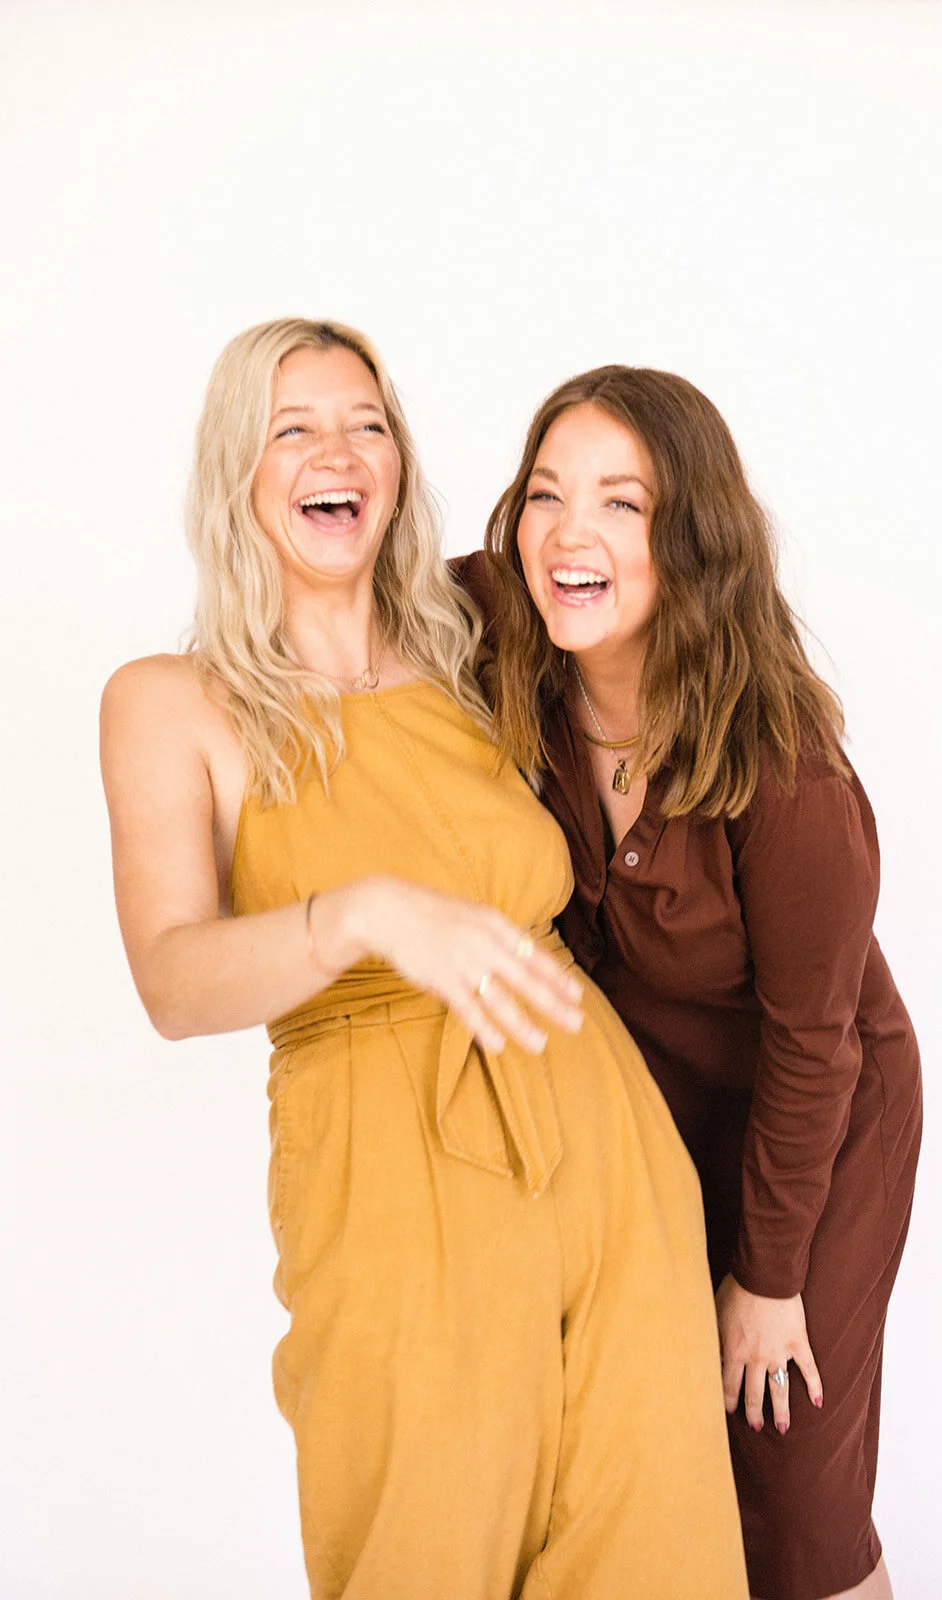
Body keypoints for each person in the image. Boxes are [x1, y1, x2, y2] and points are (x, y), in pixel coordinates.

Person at [99, 322, 748, 1600]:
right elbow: (171, 981)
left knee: (648, 1539)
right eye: (293, 428)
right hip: (384, 1169)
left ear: (397, 464)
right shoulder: (170, 700)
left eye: (368, 424)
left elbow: (667, 634)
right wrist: (358, 915)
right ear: (236, 468)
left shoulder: (477, 653)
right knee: (420, 1543)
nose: (338, 452)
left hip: (604, 1145)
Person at [459, 365, 922, 1600]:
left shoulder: (785, 774)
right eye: (545, 493)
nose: (569, 532)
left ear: (693, 540)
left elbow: (815, 1043)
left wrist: (768, 1279)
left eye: (621, 503)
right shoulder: (514, 632)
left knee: (791, 1484)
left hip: (816, 1126)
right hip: (649, 1125)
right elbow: (371, 594)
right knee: (665, 1468)